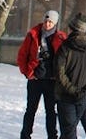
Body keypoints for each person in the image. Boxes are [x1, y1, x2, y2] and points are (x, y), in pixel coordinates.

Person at [17, 10, 68, 139]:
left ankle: (52, 136)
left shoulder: (61, 37)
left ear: (55, 23)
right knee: (30, 110)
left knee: (51, 111)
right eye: (46, 21)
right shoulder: (33, 34)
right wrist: (27, 72)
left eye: (50, 21)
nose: (47, 24)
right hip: (35, 78)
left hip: (51, 80)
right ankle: (25, 135)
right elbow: (22, 55)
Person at [54, 12, 86, 139]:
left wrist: (73, 89)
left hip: (66, 96)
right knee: (69, 130)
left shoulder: (65, 47)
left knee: (68, 132)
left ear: (72, 28)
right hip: (83, 96)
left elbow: (59, 72)